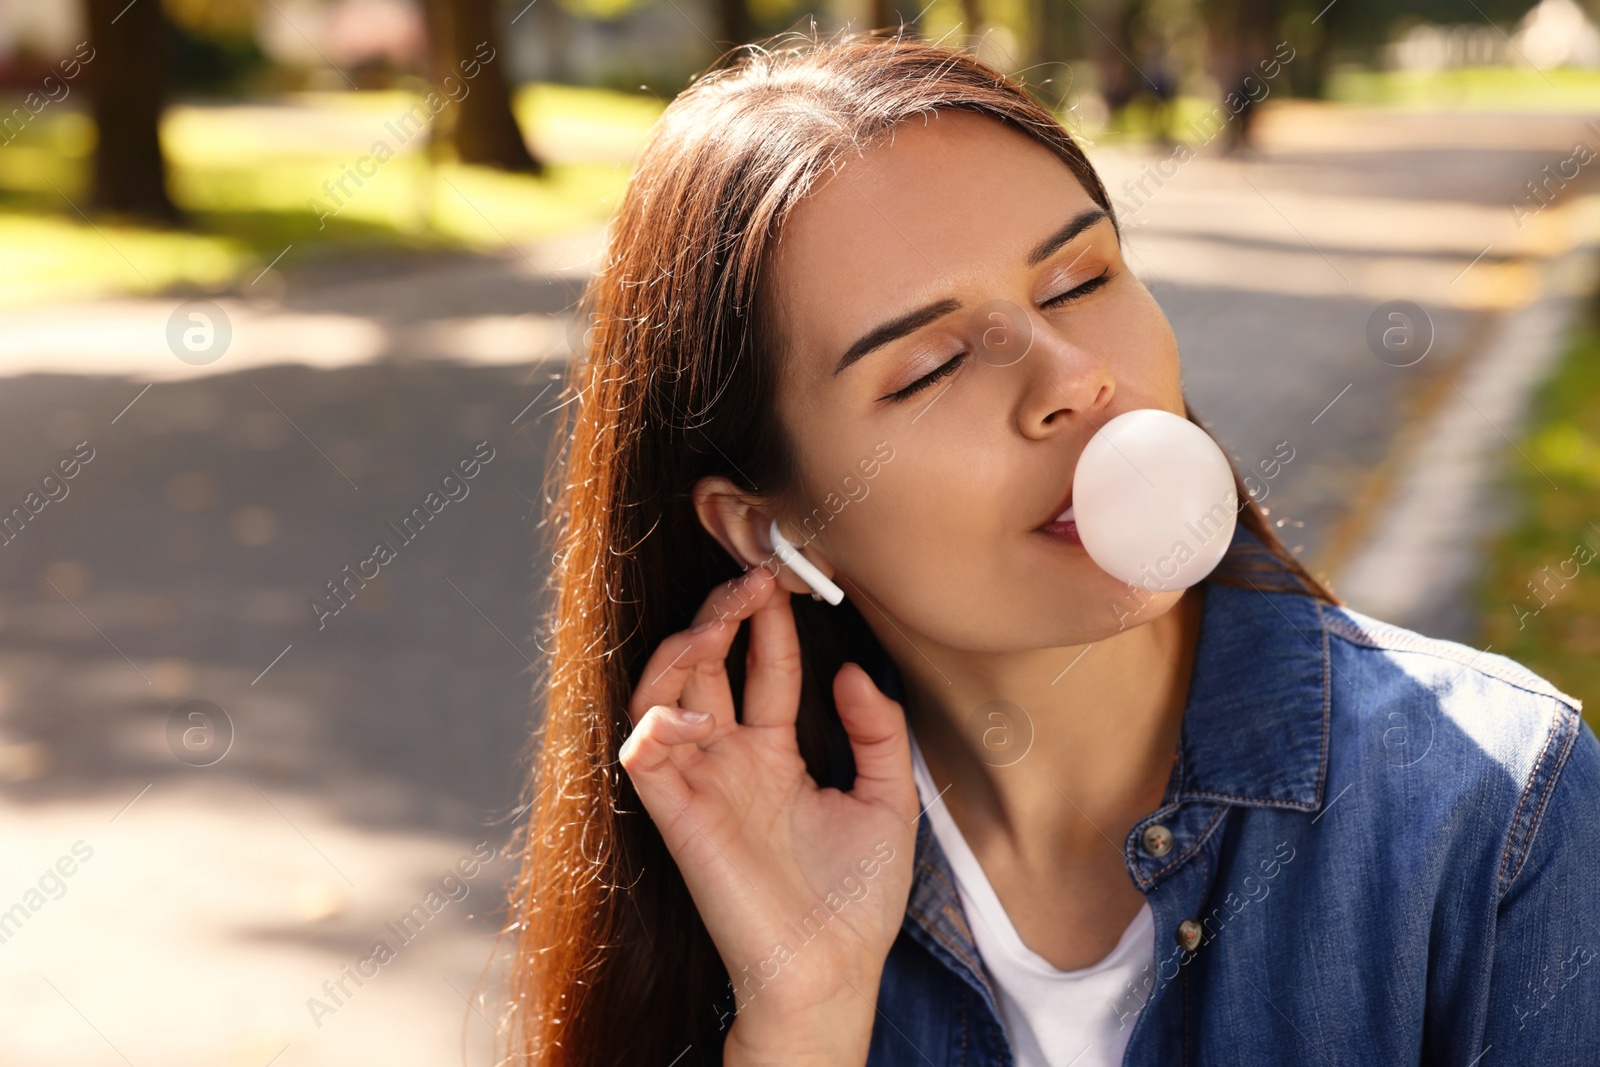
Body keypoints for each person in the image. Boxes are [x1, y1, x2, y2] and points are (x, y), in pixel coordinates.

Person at [494, 29, 1600, 1066]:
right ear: (768, 529)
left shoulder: (1494, 812)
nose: (1071, 377)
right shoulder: (741, 881)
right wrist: (804, 1014)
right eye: (927, 366)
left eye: (1080, 280)